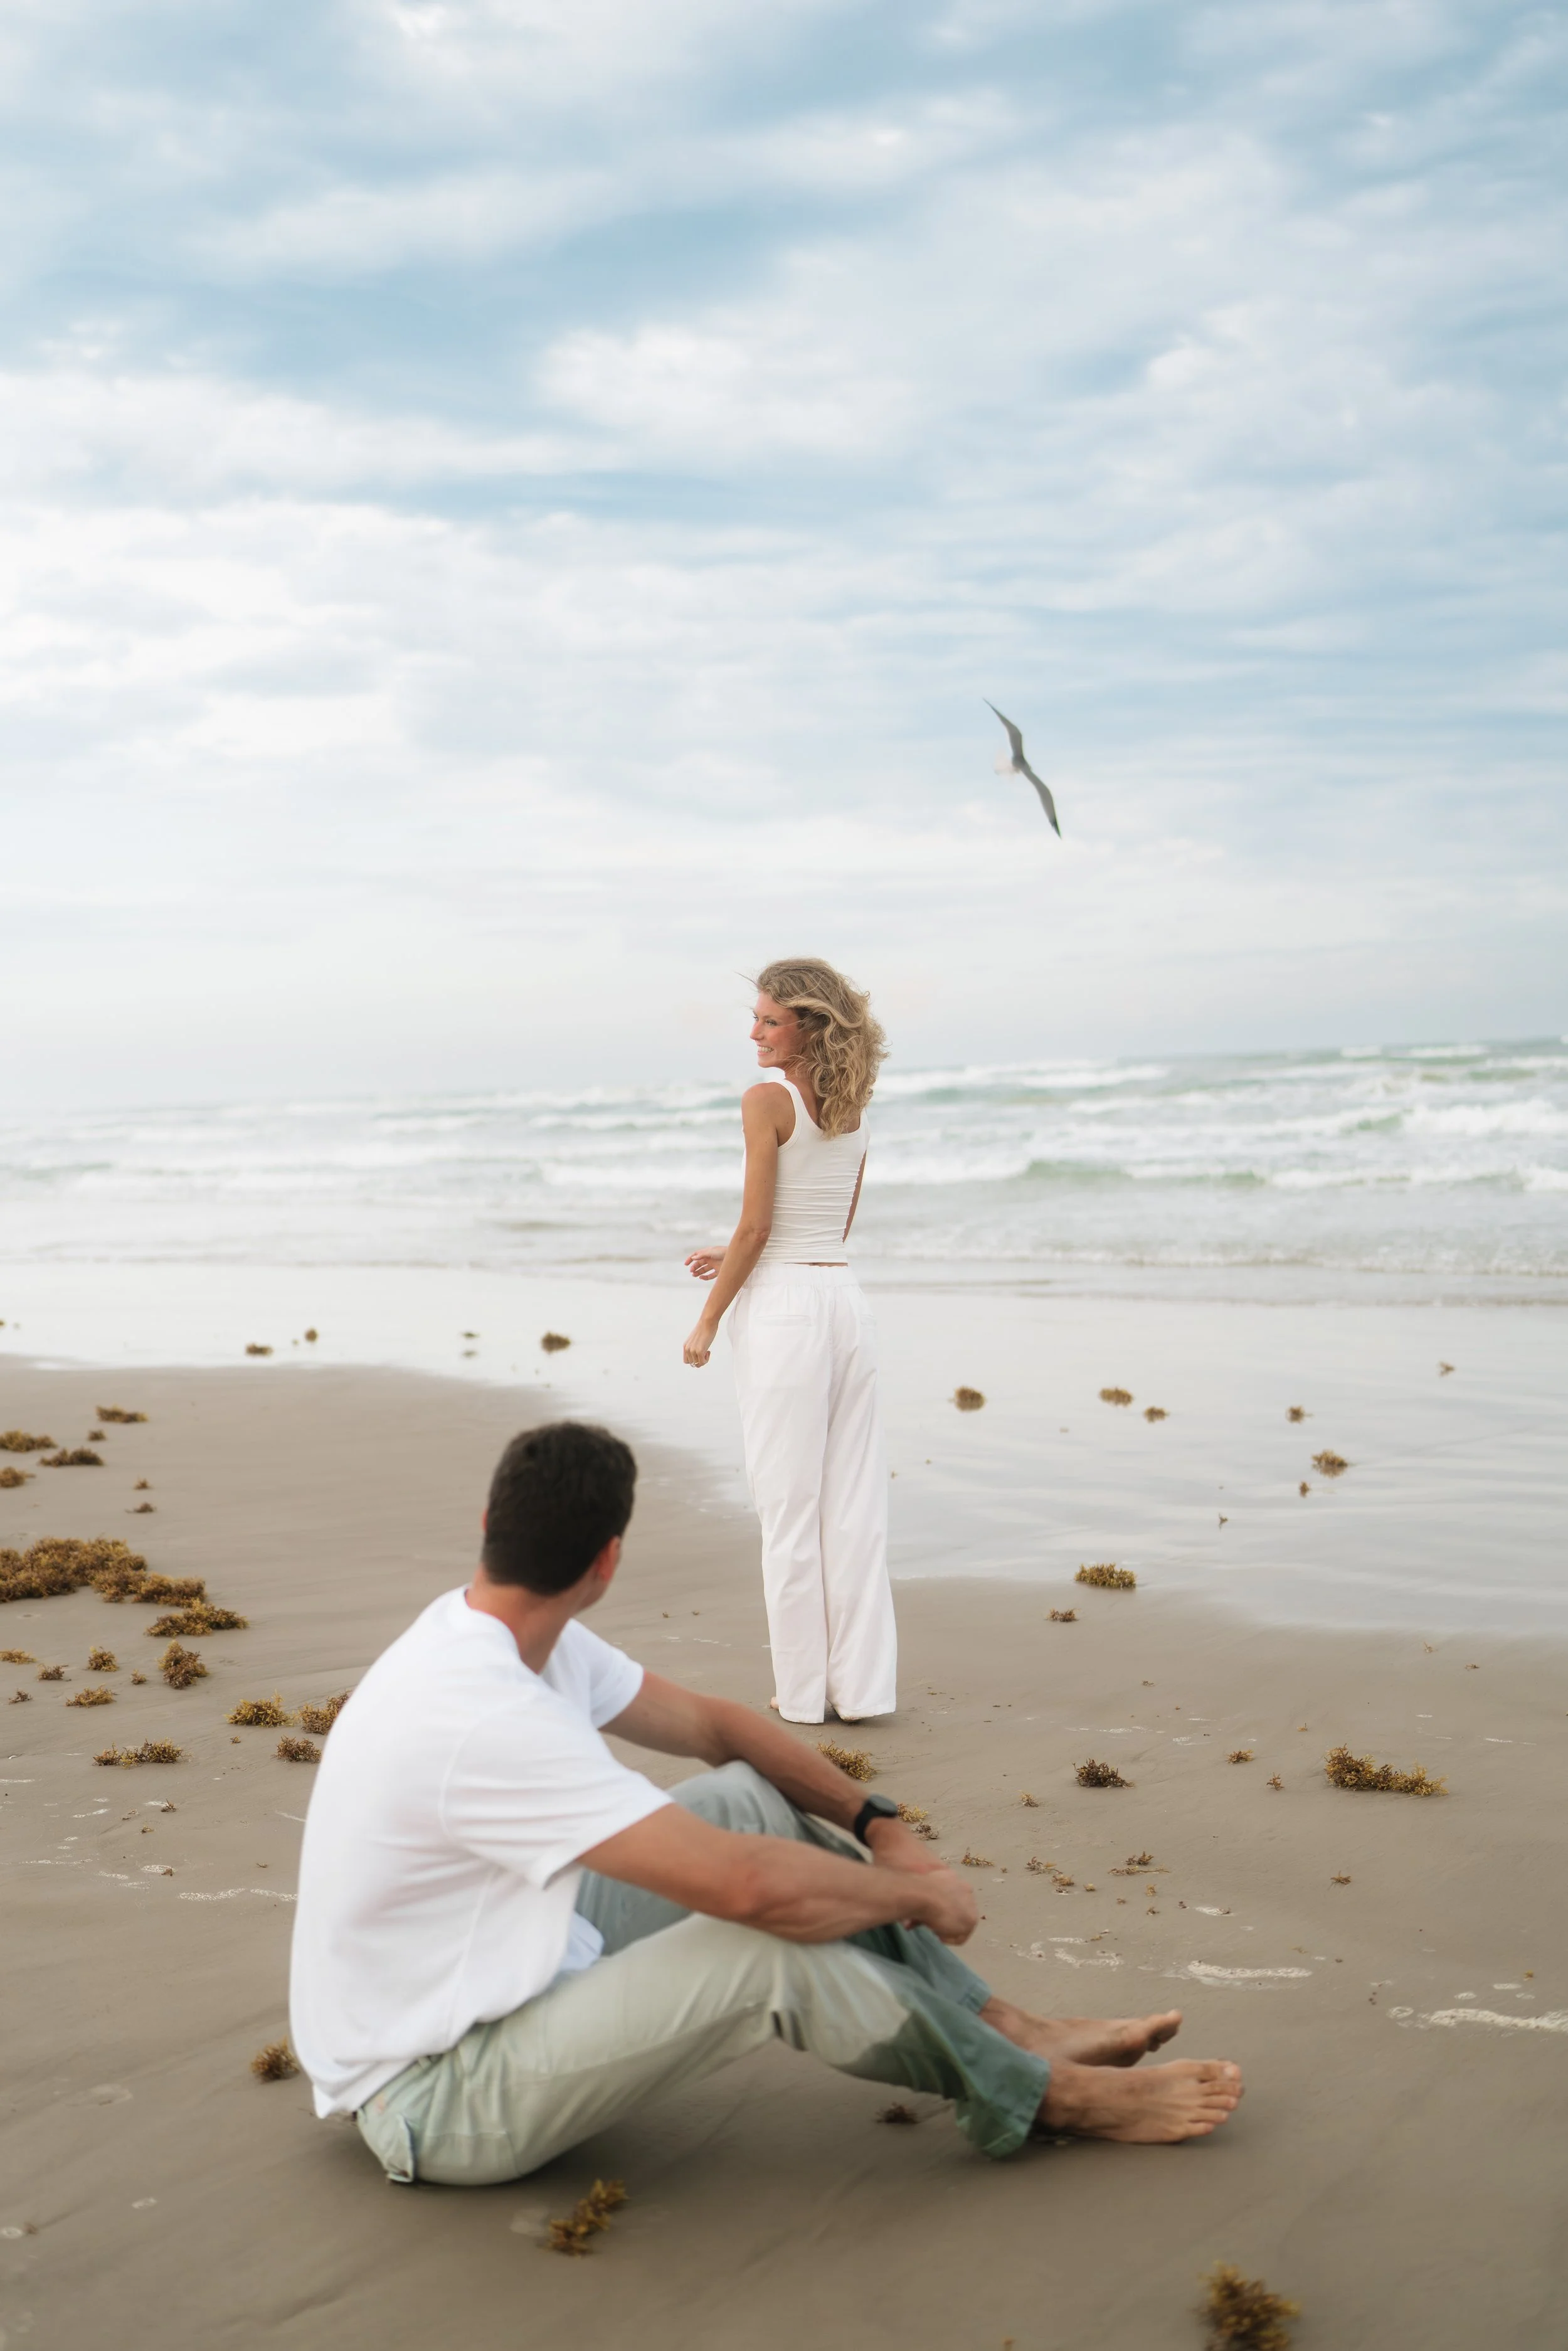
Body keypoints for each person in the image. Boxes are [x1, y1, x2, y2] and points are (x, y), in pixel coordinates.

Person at [289, 1421, 1244, 2187]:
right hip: (435, 2095)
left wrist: (883, 1828)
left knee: (745, 1800)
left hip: (510, 1967)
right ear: (607, 1561)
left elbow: (716, 1726)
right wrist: (920, 1898)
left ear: (491, 1519)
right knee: (761, 1951)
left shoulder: (507, 1636)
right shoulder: (479, 1715)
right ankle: (1044, 2099)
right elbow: (749, 1893)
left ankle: (1009, 2027)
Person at [682, 957, 896, 1725]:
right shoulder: (856, 1110)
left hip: (785, 1315)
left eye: (770, 1019)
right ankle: (863, 1690)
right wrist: (734, 1250)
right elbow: (822, 1231)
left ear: (808, 1024)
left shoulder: (766, 1101)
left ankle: (803, 1695)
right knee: (853, 1506)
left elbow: (759, 1227)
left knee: (787, 1508)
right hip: (845, 1301)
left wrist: (708, 1315)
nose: (755, 1032)